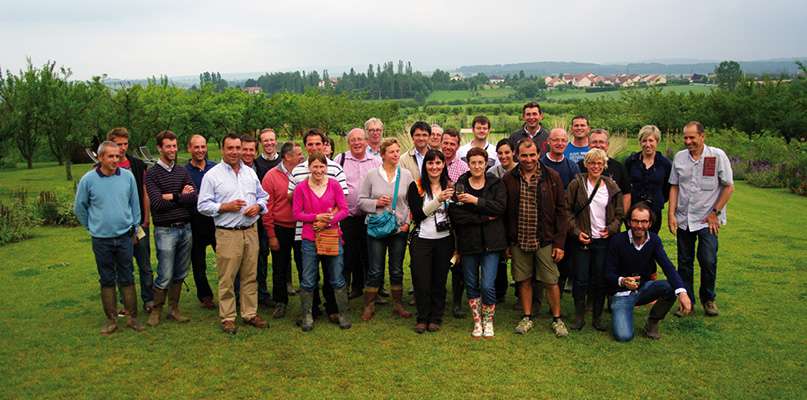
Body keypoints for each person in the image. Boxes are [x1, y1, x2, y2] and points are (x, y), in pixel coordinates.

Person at [197, 133, 269, 334]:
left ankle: (249, 313)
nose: (235, 152)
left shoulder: (250, 173)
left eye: (238, 148)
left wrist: (259, 207)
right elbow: (202, 205)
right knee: (227, 277)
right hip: (228, 233)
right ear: (222, 150)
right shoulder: (212, 175)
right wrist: (224, 206)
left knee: (250, 275)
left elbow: (263, 196)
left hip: (250, 231)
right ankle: (228, 317)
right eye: (230, 148)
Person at [74, 141, 144, 335]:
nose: (115, 160)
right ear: (100, 158)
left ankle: (132, 317)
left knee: (127, 277)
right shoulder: (88, 180)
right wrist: (91, 226)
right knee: (106, 278)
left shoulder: (127, 177)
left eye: (117, 156)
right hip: (101, 239)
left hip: (124, 237)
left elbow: (134, 204)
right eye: (110, 156)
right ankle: (111, 320)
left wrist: (135, 227)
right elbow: (80, 207)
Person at [502, 139, 569, 337]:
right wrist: (507, 242)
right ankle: (527, 316)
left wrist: (559, 243)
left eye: (532, 155)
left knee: (551, 280)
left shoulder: (552, 177)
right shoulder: (509, 178)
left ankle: (557, 319)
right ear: (517, 156)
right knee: (523, 280)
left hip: (545, 239)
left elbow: (561, 212)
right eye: (524, 155)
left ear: (539, 154)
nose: (528, 159)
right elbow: (505, 213)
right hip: (519, 239)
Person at [669, 121, 734, 317]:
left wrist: (715, 211)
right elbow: (674, 186)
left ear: (702, 137)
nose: (688, 141)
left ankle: (708, 299)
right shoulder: (679, 158)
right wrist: (671, 214)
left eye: (692, 137)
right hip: (684, 218)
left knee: (708, 260)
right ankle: (686, 302)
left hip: (708, 219)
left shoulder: (717, 156)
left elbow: (728, 186)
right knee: (685, 262)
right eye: (685, 138)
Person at [606, 203, 692, 341]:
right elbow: (608, 273)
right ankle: (615, 307)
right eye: (635, 221)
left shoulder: (654, 240)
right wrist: (622, 281)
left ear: (650, 223)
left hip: (643, 289)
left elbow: (668, 267)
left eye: (644, 221)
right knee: (624, 336)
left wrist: (682, 292)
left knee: (671, 287)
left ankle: (652, 322)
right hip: (621, 293)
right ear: (628, 222)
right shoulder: (617, 241)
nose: (639, 226)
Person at [289, 129, 348, 322]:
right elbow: (297, 213)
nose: (318, 171)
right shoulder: (300, 188)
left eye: (321, 167)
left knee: (337, 277)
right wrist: (317, 217)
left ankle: (342, 314)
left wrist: (328, 220)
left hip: (332, 236)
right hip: (308, 238)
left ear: (326, 166)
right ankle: (307, 316)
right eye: (314, 167)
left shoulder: (334, 185)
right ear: (309, 167)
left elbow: (344, 210)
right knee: (308, 278)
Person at [449, 148, 507, 338]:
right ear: (468, 163)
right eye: (473, 162)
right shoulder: (461, 184)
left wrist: (475, 201)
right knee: (471, 283)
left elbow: (500, 208)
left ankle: (488, 321)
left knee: (488, 284)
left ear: (486, 163)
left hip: (492, 243)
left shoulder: (496, 183)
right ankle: (477, 322)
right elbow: (456, 215)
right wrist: (483, 217)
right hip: (468, 243)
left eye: (480, 162)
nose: (476, 166)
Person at [566, 149, 625, 331]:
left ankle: (597, 318)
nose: (596, 166)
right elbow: (566, 211)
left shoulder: (611, 186)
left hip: (603, 240)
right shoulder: (577, 183)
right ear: (586, 164)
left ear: (604, 165)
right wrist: (576, 232)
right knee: (581, 279)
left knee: (599, 279)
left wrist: (613, 228)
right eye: (592, 163)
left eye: (600, 163)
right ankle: (579, 316)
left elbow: (619, 213)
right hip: (583, 239)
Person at [358, 138, 414, 321]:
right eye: (391, 151)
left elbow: (411, 202)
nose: (396, 154)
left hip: (399, 229)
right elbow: (360, 201)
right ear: (382, 154)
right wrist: (376, 203)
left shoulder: (405, 175)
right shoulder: (371, 175)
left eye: (398, 151)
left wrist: (407, 223)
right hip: (376, 228)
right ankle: (369, 304)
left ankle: (398, 304)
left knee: (397, 268)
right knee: (375, 268)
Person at [144, 130, 196, 327]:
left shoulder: (182, 171)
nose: (173, 150)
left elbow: (193, 198)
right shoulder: (152, 174)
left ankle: (174, 309)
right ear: (159, 148)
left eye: (175, 146)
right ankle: (156, 310)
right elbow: (157, 204)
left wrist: (172, 196)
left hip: (186, 228)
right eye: (168, 146)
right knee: (165, 273)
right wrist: (181, 195)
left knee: (181, 272)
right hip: (165, 230)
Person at [406, 150, 455, 333]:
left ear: (443, 165)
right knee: (421, 280)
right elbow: (417, 216)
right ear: (424, 165)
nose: (434, 167)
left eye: (438, 163)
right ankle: (422, 317)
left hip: (444, 240)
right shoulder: (416, 187)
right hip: (422, 240)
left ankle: (436, 317)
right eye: (430, 163)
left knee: (439, 280)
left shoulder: (450, 186)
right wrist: (437, 200)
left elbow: (455, 214)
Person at [106, 128, 154, 314]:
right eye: (119, 144)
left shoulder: (137, 164)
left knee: (145, 264)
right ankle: (126, 303)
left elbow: (144, 192)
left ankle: (148, 299)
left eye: (125, 144)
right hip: (118, 226)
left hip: (139, 223)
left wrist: (146, 219)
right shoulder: (106, 167)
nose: (123, 148)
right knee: (122, 267)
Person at [335, 128, 381, 298]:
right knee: (349, 253)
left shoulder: (375, 162)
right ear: (349, 143)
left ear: (366, 141)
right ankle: (351, 287)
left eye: (360, 139)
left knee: (369, 254)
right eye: (353, 140)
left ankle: (372, 290)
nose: (357, 143)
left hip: (371, 216)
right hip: (348, 216)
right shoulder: (340, 159)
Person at [262, 142, 304, 319]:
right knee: (280, 267)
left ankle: (308, 303)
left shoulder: (304, 173)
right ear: (287, 157)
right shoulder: (271, 176)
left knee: (305, 265)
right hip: (281, 228)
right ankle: (280, 302)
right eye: (299, 154)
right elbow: (267, 208)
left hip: (303, 227)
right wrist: (271, 235)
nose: (302, 156)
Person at [541, 127, 581, 297]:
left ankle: (557, 296)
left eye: (563, 140)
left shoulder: (572, 167)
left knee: (563, 261)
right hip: (542, 220)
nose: (559, 143)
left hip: (564, 220)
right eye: (556, 140)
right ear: (548, 142)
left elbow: (577, 196)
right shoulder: (540, 164)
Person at [240, 135, 273, 307]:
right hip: (237, 222)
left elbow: (264, 195)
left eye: (251, 150)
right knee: (239, 259)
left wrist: (259, 208)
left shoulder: (260, 168)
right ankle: (239, 295)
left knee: (261, 256)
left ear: (256, 151)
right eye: (244, 149)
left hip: (260, 221)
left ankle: (261, 293)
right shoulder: (232, 170)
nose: (247, 153)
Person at [185, 134, 217, 309]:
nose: (200, 150)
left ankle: (232, 292)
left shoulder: (215, 168)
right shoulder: (184, 172)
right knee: (198, 263)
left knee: (226, 260)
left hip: (215, 223)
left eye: (203, 147)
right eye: (196, 147)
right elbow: (183, 197)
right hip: (195, 223)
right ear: (189, 148)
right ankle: (205, 296)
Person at [440, 127, 468, 317]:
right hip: (437, 219)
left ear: (458, 146)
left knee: (458, 263)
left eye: (453, 143)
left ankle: (457, 303)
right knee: (439, 262)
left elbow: (466, 196)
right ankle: (438, 298)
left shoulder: (463, 168)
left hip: (458, 221)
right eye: (446, 142)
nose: (448, 146)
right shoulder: (433, 162)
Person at [624, 125, 672, 234]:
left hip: (654, 211)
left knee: (651, 242)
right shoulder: (631, 161)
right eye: (644, 140)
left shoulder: (665, 164)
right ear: (640, 142)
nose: (647, 144)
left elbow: (667, 188)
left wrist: (658, 199)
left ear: (657, 141)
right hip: (634, 210)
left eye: (651, 140)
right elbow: (625, 186)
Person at [488, 139, 518, 304]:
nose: (504, 156)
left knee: (518, 259)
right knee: (499, 257)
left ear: (513, 152)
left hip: (517, 218)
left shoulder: (519, 170)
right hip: (498, 220)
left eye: (507, 152)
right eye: (500, 153)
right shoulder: (493, 172)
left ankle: (521, 294)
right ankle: (499, 291)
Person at [577, 129, 631, 214]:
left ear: (607, 145)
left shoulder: (618, 167)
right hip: (584, 221)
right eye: (594, 142)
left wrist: (620, 218)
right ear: (588, 144)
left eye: (601, 142)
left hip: (610, 222)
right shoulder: (579, 166)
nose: (598, 145)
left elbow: (626, 195)